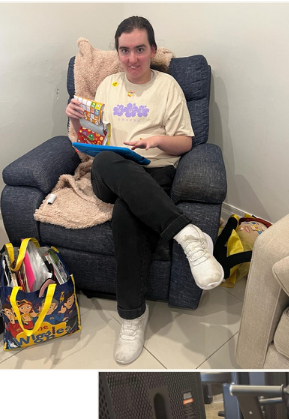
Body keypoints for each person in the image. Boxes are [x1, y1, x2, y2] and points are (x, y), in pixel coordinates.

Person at [65, 16, 224, 365]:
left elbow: (185, 142)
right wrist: (76, 120)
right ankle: (187, 234)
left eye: (140, 49)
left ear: (152, 50)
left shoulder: (167, 86)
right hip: (109, 172)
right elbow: (89, 146)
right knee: (107, 161)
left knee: (127, 214)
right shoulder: (107, 86)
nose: (132, 58)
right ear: (118, 52)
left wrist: (154, 140)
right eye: (125, 50)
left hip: (155, 171)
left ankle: (132, 317)